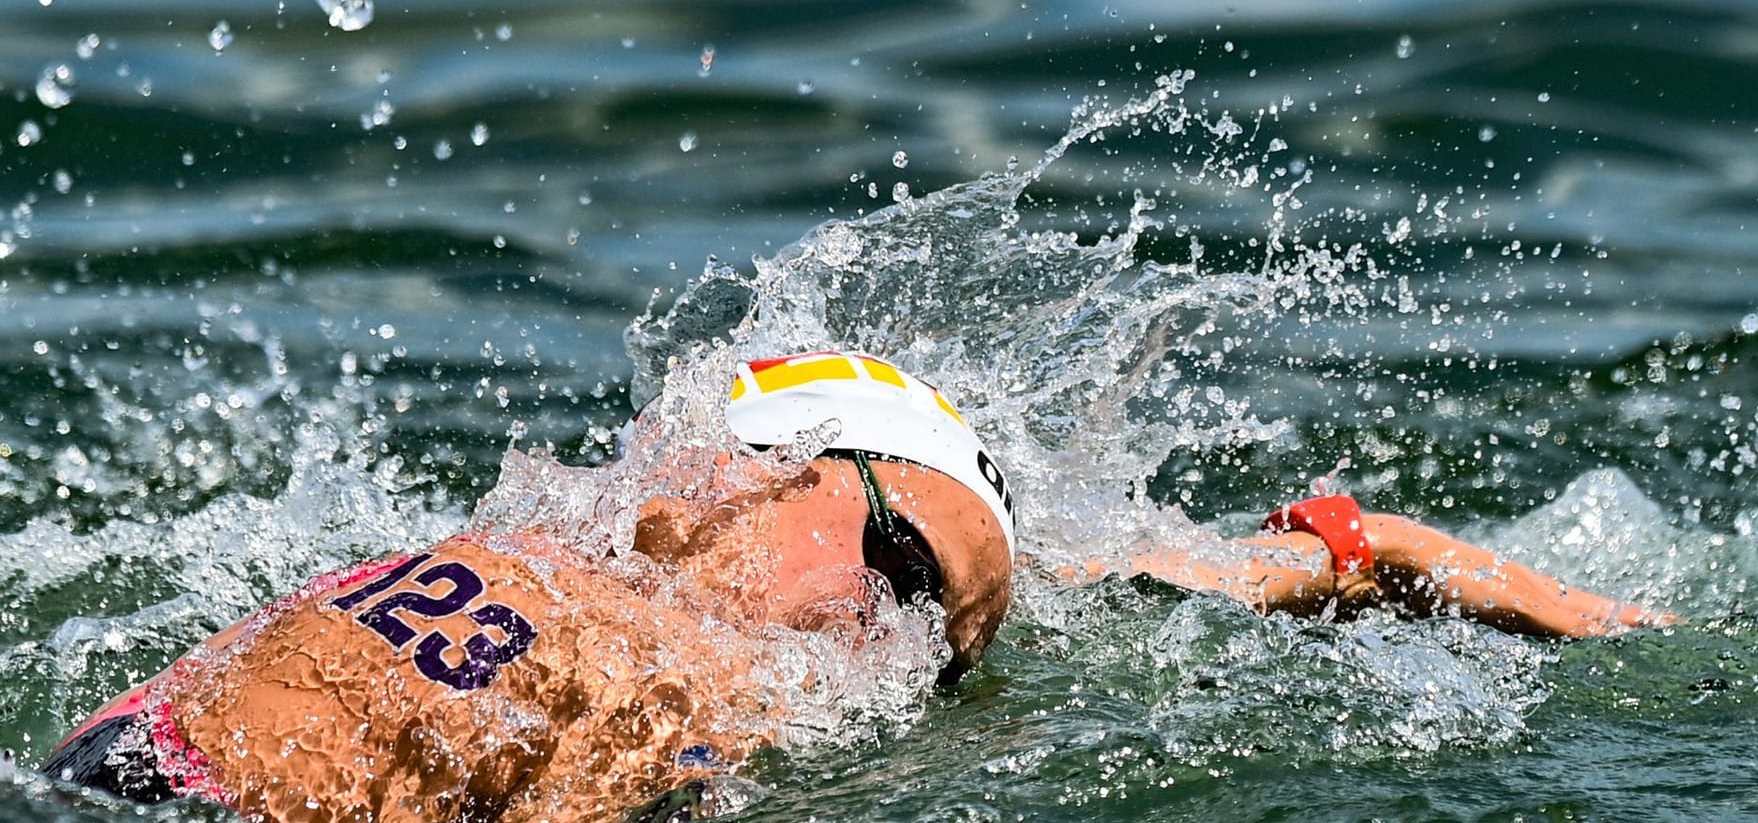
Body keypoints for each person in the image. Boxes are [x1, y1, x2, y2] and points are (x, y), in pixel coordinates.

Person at [40, 350, 1667, 822]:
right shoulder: (614, 574)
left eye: (942, 648)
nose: (890, 639)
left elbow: (1131, 567)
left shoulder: (689, 630)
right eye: (897, 568)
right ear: (742, 469)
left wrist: (1396, 562)